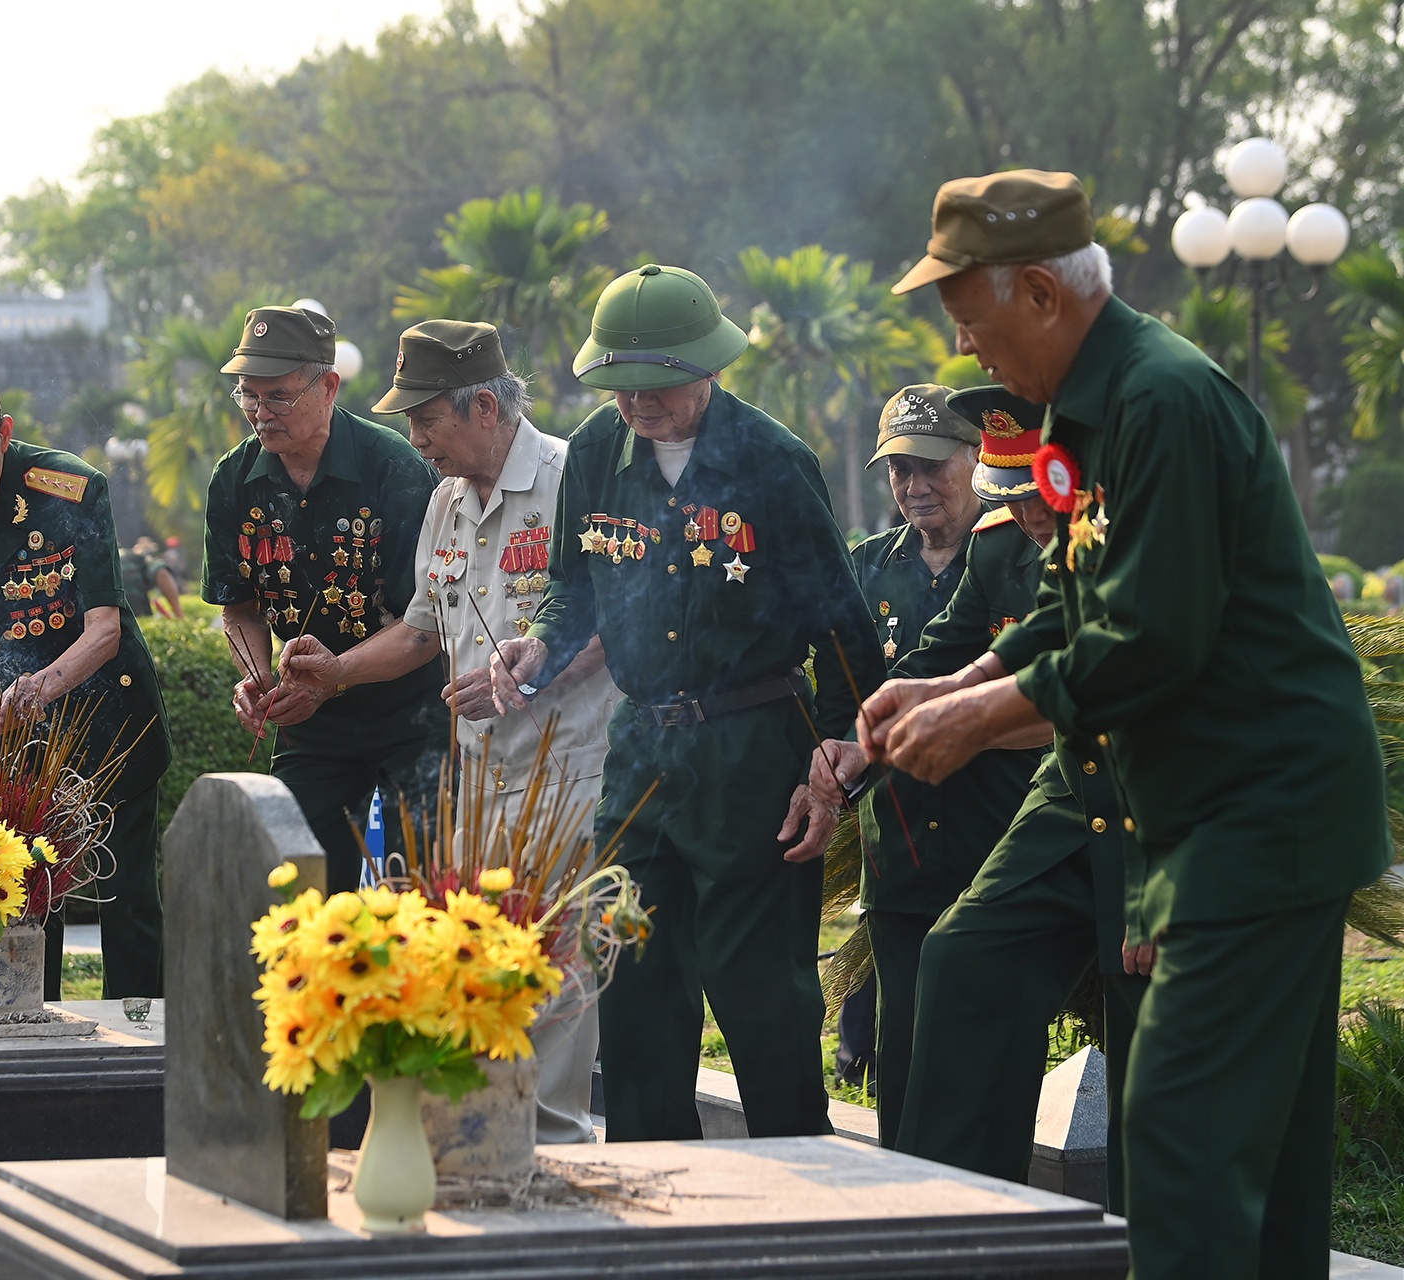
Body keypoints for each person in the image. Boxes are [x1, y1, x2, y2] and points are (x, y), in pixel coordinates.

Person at [863, 170, 1388, 1278]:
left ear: (1045, 292)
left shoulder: (1162, 399)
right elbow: (1071, 597)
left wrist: (979, 720)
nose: (966, 351)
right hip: (1188, 789)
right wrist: (952, 684)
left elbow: (1153, 637)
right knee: (1258, 1161)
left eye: (974, 320)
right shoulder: (1087, 411)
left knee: (1186, 1144)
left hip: (1259, 800)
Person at [488, 264, 883, 1142]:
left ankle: (798, 1191)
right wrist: (541, 642)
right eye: (620, 387)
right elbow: (571, 587)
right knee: (632, 976)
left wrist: (832, 762)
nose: (639, 406)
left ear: (709, 369)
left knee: (760, 995)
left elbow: (847, 631)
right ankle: (652, 1190)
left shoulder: (774, 463)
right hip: (639, 754)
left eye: (658, 387)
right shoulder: (595, 452)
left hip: (749, 745)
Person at [280, 319, 620, 1143]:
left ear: (481, 407)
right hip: (471, 775)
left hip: (563, 770)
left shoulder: (577, 477)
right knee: (483, 960)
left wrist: (531, 675)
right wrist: (339, 672)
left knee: (559, 962)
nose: (417, 439)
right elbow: (422, 631)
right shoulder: (445, 501)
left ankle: (555, 1142)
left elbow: (614, 618)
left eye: (425, 419)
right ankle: (487, 1134)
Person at [849, 383, 1150, 1210]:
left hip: (1179, 787)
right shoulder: (1013, 533)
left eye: (1037, 502)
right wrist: (910, 704)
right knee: (962, 955)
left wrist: (973, 716)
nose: (1025, 522)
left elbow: (1125, 678)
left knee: (1150, 1008)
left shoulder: (1146, 525)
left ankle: (1146, 1238)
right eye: (1008, 500)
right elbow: (1022, 630)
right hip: (1081, 781)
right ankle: (957, 1221)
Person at [815, 384, 1046, 1145]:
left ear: (977, 460)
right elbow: (901, 673)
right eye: (899, 470)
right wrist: (850, 747)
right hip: (903, 849)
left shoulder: (1019, 544)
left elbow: (1059, 696)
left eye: (932, 467)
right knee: (903, 1055)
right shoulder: (867, 569)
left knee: (997, 1051)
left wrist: (959, 721)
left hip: (1006, 844)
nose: (915, 486)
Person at [0, 367, 171, 999]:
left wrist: (44, 684)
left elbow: (104, 628)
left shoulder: (71, 492)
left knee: (124, 893)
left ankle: (138, 1034)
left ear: (5, 434)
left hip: (108, 715)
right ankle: (25, 1023)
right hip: (7, 729)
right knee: (18, 886)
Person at [202, 305, 447, 891]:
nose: (261, 414)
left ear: (329, 385)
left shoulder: (396, 469)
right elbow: (239, 608)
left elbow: (426, 625)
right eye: (248, 397)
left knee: (418, 887)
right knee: (296, 882)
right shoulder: (234, 480)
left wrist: (333, 677)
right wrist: (258, 680)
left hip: (410, 708)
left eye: (278, 397)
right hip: (308, 715)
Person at [119, 536, 183, 619]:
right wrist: (179, 615)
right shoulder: (140, 558)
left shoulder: (111, 557)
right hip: (133, 606)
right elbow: (162, 574)